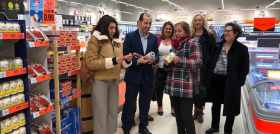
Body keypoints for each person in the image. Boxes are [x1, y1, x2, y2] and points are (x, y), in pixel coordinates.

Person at [85, 15, 132, 134]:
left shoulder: (117, 42)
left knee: (113, 113)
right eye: (110, 28)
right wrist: (113, 61)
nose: (113, 31)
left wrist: (126, 60)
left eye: (114, 28)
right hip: (100, 82)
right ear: (104, 26)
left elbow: (119, 64)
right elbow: (91, 63)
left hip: (114, 82)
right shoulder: (95, 40)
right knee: (100, 114)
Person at [204, 22, 249, 134]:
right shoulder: (218, 46)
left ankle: (228, 129)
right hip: (216, 80)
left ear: (236, 33)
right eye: (225, 30)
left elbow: (245, 69)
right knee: (216, 104)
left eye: (229, 31)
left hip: (231, 82)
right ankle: (215, 126)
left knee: (231, 106)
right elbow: (210, 62)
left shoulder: (242, 49)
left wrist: (239, 82)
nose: (226, 33)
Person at [121, 13, 159, 134]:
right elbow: (126, 56)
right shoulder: (130, 37)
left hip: (147, 76)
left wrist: (154, 59)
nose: (148, 26)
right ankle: (126, 128)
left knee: (145, 103)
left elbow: (156, 55)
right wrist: (137, 61)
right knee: (129, 103)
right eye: (145, 23)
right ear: (139, 23)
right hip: (133, 75)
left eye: (150, 23)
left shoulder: (153, 38)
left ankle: (143, 126)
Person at [164, 21, 202, 134]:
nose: (177, 33)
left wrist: (180, 60)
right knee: (178, 116)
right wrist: (167, 63)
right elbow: (170, 64)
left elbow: (198, 63)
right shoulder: (175, 46)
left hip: (186, 86)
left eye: (179, 31)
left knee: (186, 116)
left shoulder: (192, 43)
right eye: (175, 31)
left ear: (186, 31)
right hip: (173, 85)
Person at [190, 14, 216, 123]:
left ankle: (200, 112)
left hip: (204, 67)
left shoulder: (208, 36)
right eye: (195, 20)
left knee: (200, 90)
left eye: (199, 20)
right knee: (192, 90)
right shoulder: (191, 36)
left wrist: (210, 66)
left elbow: (214, 52)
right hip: (191, 67)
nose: (197, 22)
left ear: (203, 22)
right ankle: (195, 110)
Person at [156, 21, 176, 116]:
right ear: (163, 29)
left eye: (170, 29)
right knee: (160, 88)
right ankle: (160, 106)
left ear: (172, 30)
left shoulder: (175, 41)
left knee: (172, 88)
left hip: (171, 68)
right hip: (159, 68)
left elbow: (176, 52)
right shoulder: (158, 40)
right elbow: (154, 52)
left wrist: (168, 60)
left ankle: (173, 108)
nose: (168, 30)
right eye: (166, 28)